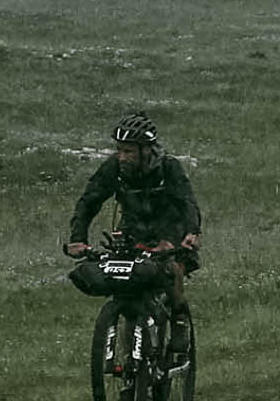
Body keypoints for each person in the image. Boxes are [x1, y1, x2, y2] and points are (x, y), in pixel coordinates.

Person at [64, 114, 202, 352]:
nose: (122, 157)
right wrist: (78, 238)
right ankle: (133, 366)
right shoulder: (114, 168)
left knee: (171, 267)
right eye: (119, 150)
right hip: (133, 229)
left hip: (170, 227)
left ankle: (179, 320)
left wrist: (191, 232)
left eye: (129, 151)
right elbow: (89, 201)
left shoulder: (168, 168)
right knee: (126, 284)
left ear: (146, 150)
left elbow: (187, 202)